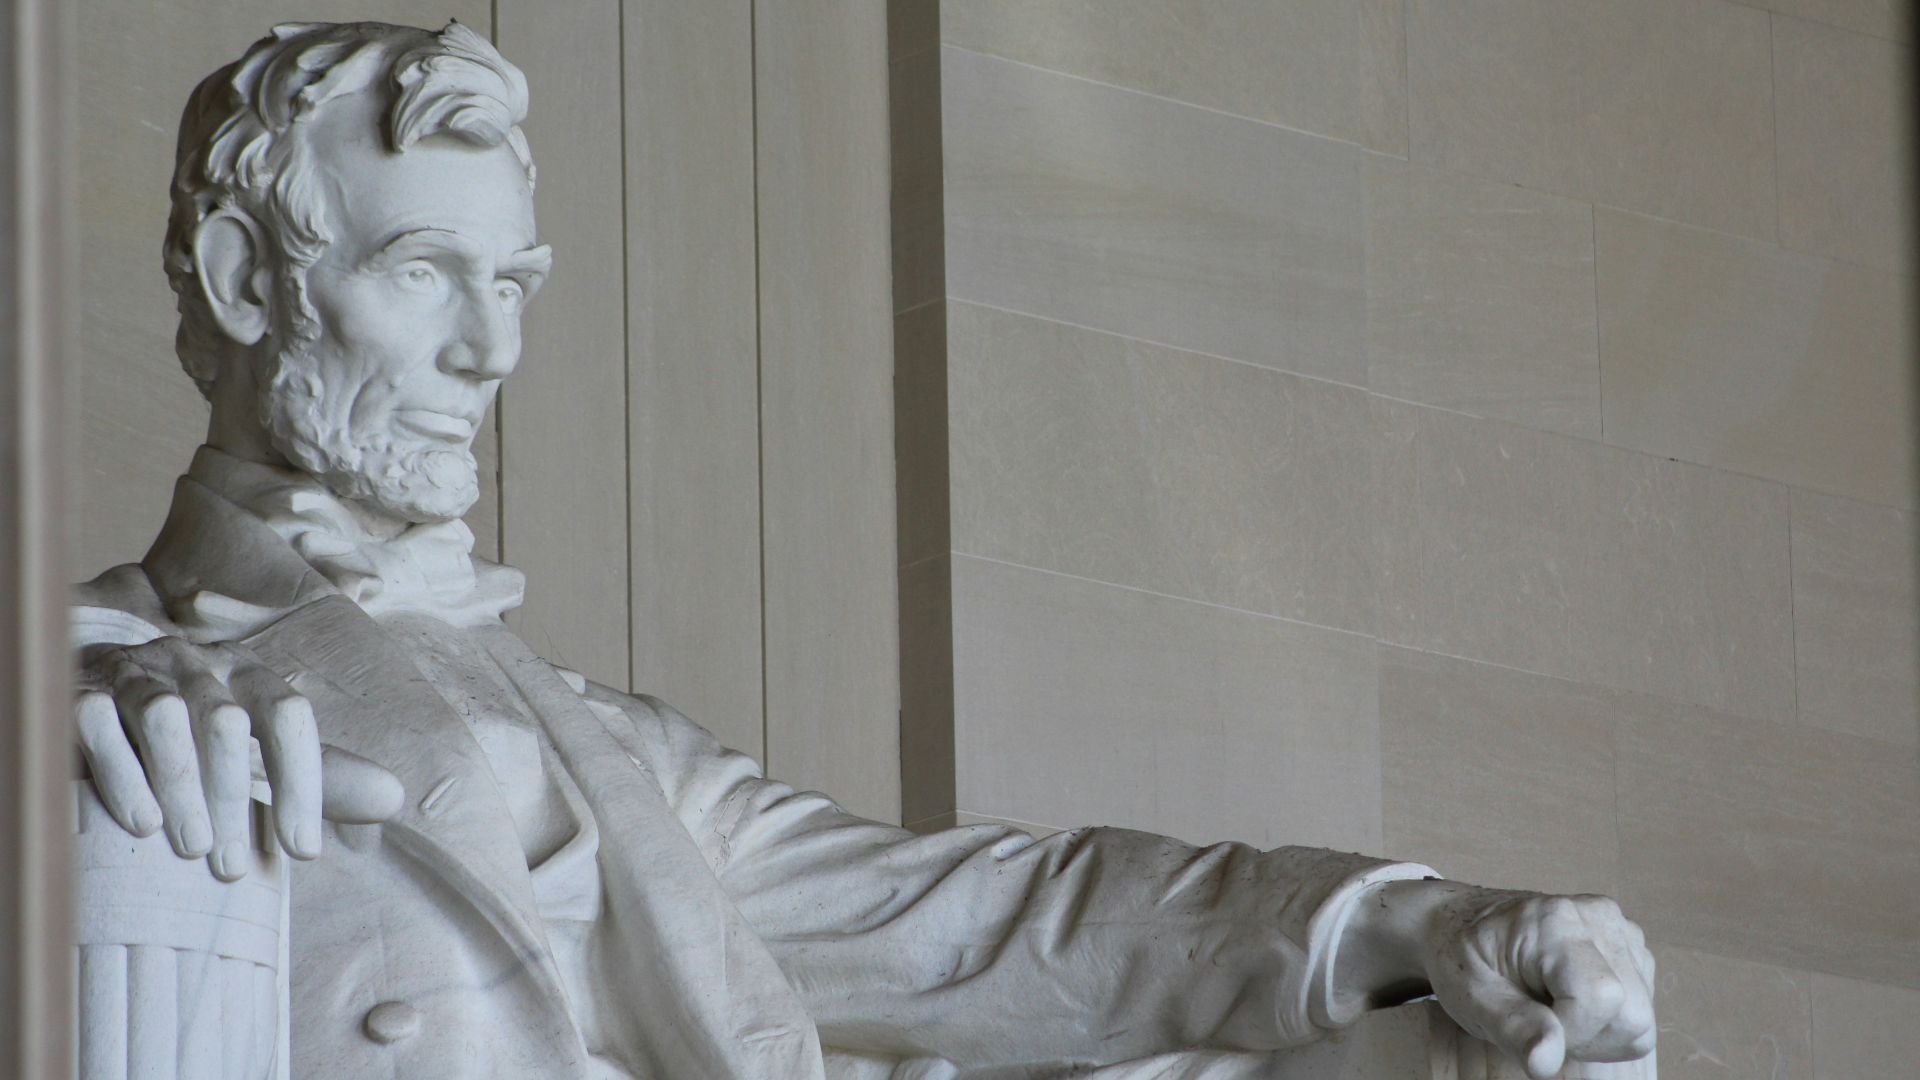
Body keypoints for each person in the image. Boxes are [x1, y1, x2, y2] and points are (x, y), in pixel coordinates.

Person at [71, 20, 1655, 1080]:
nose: (492, 350)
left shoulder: (614, 750)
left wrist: (1412, 921)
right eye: (428, 274)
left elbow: (991, 920)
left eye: (519, 286)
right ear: (238, 275)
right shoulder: (78, 689)